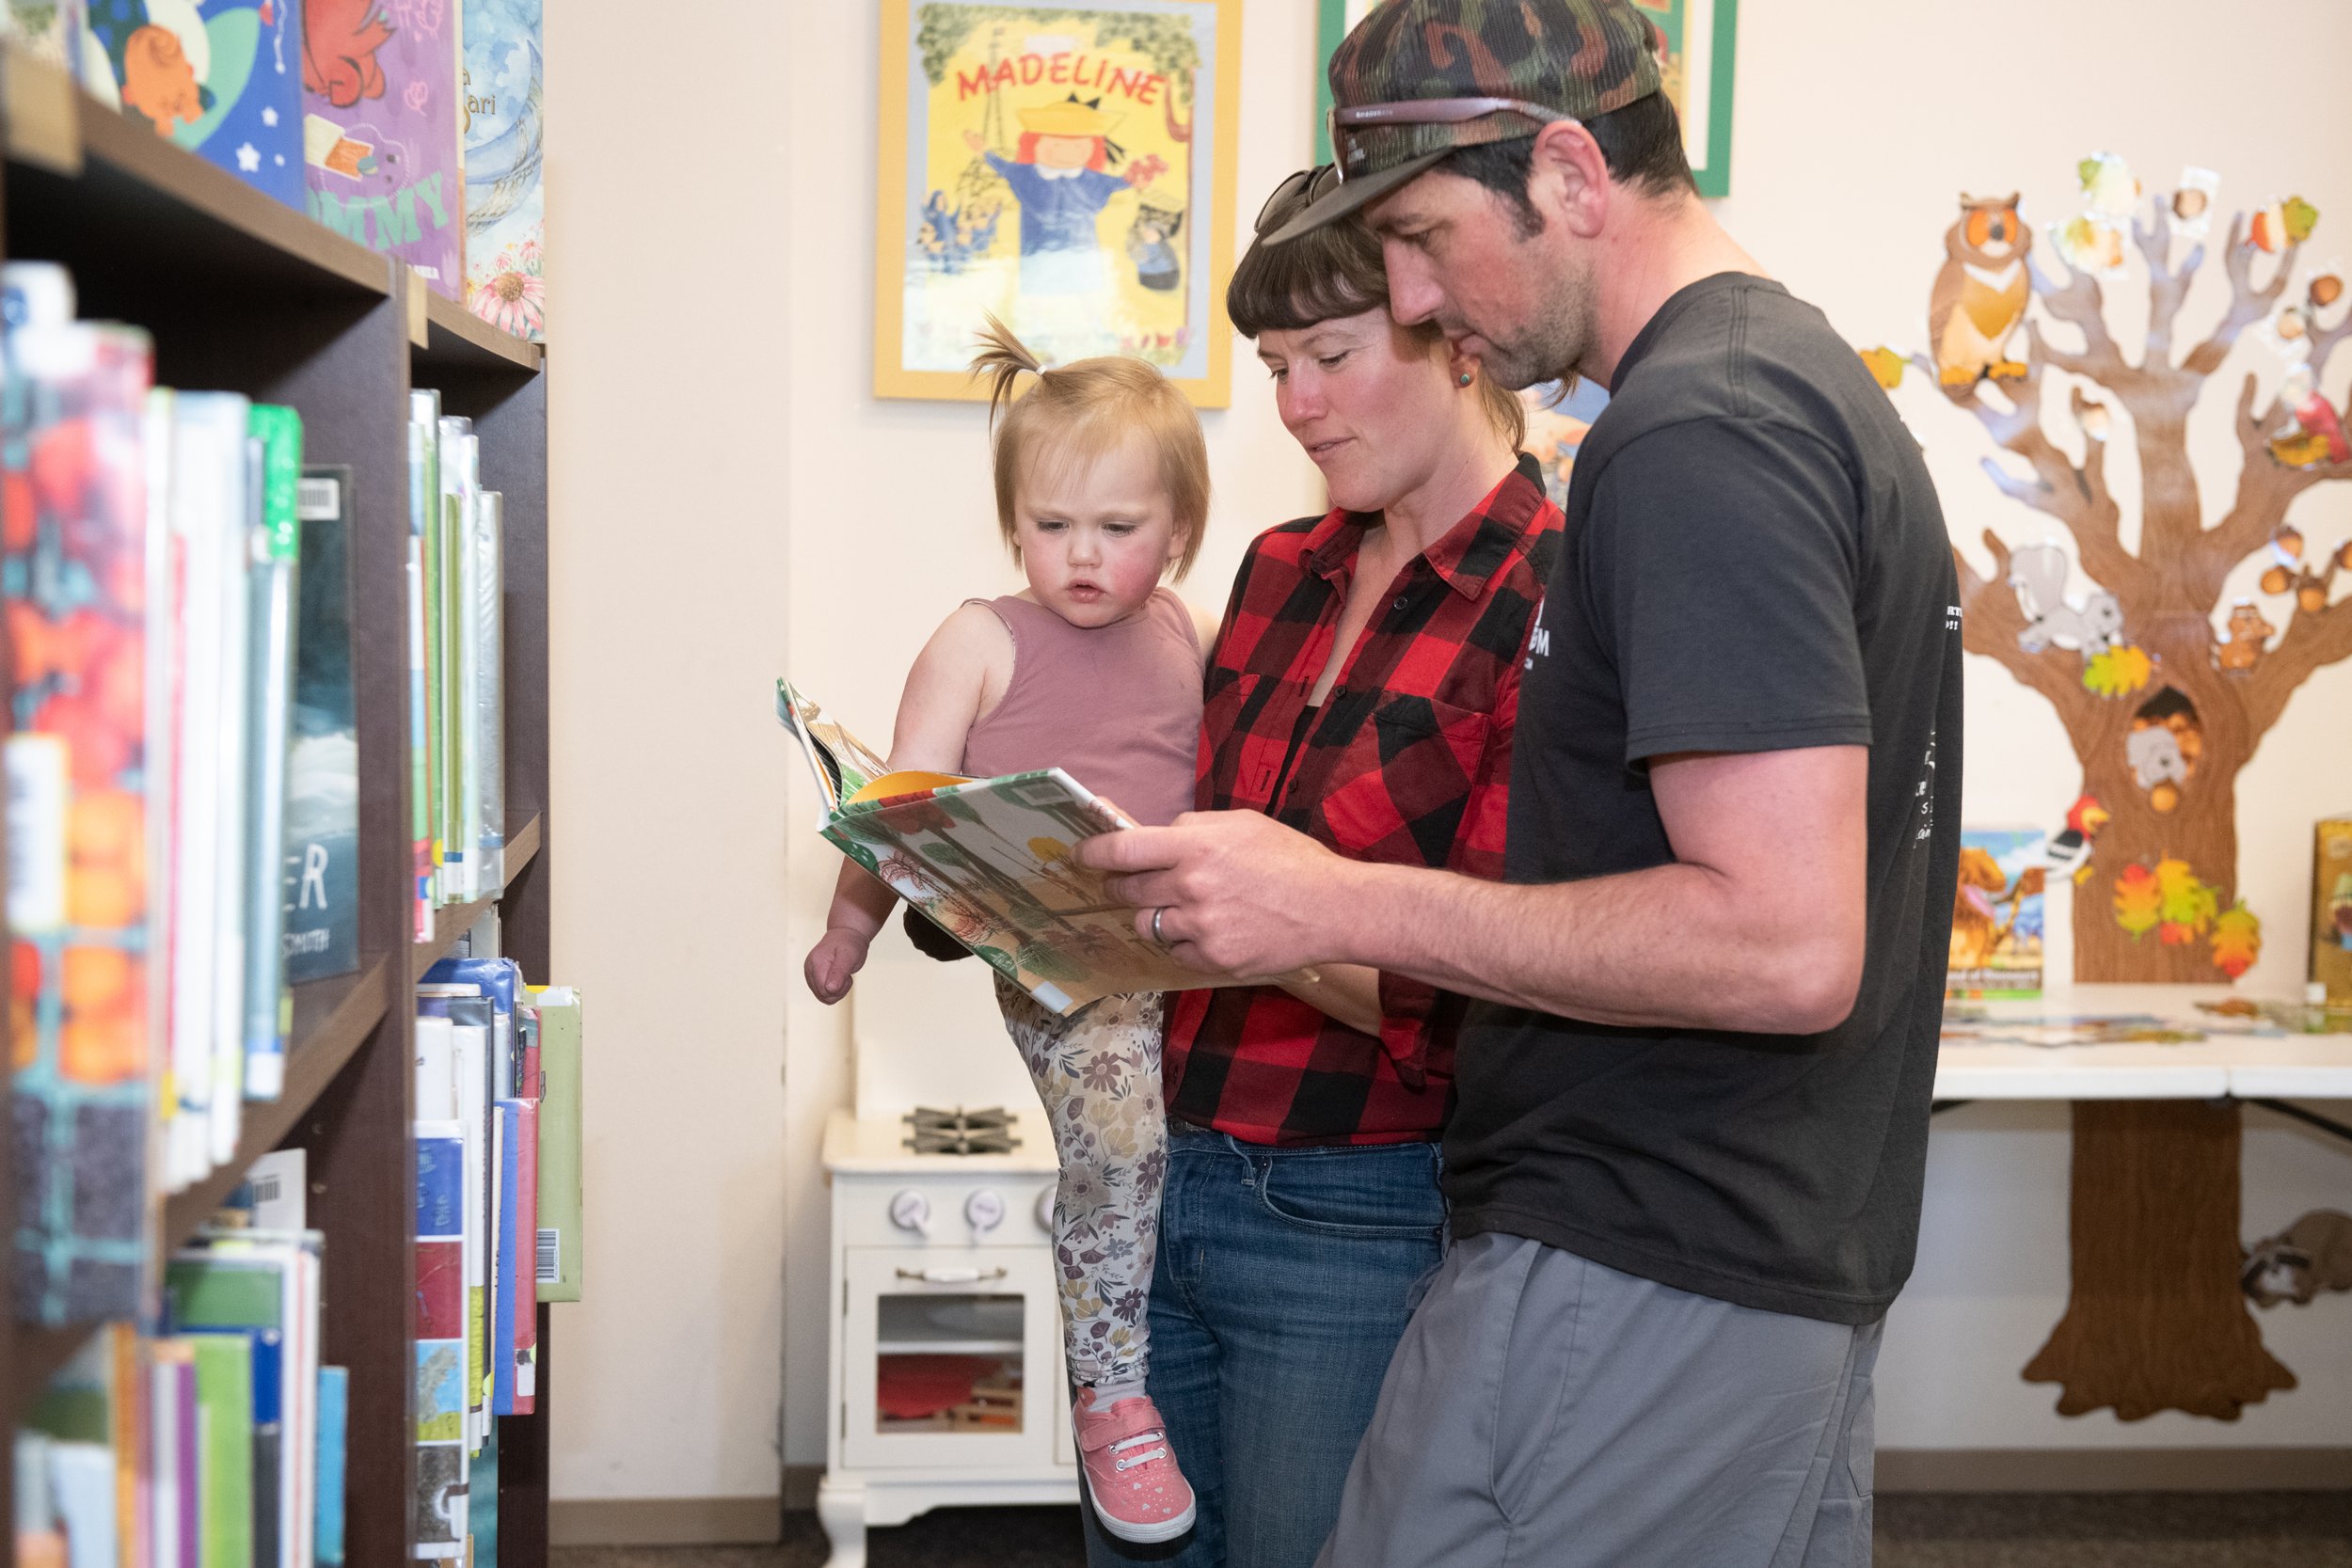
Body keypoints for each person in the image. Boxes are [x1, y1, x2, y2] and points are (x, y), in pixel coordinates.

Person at [1079, 2, 1965, 1564]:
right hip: (1694, 1244)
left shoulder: (1706, 432)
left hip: (1651, 1253)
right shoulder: (1765, 392)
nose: (1417, 298)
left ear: (1567, 171)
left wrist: (1332, 904)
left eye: (1421, 241)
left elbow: (1782, 943)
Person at [1084, 180, 1562, 1568]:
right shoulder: (1279, 568)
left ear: (1457, 337)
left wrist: (1268, 924)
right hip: (1156, 1165)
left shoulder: (1554, 594)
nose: (1294, 406)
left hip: (1359, 1202)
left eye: (1332, 359)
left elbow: (1501, 980)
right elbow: (1194, 850)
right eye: (1275, 370)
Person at [800, 320, 1219, 1545]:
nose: (1080, 556)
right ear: (1012, 524)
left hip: (1185, 955)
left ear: (1179, 533)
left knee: (1158, 1164)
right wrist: (846, 930)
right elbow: (894, 813)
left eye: (1118, 529)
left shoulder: (1187, 636)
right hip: (1062, 962)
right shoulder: (980, 639)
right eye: (1050, 526)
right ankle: (1110, 1389)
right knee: (1127, 1137)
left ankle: (1097, 1222)